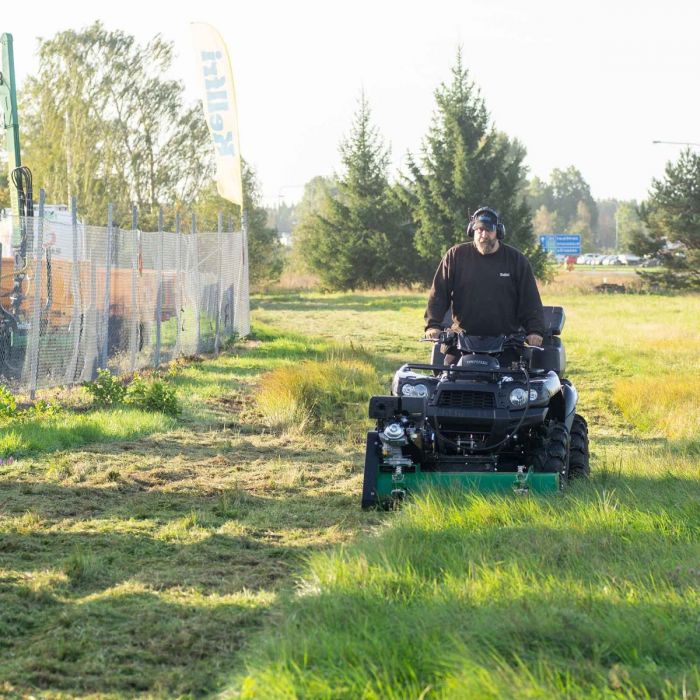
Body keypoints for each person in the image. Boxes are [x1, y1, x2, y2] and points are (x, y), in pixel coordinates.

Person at [424, 206, 545, 352]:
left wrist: (535, 331)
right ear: (471, 230)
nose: (483, 234)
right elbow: (438, 294)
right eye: (479, 230)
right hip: (461, 340)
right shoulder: (455, 256)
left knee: (516, 374)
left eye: (488, 230)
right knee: (445, 373)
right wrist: (433, 325)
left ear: (498, 232)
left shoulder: (516, 260)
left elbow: (530, 300)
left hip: (506, 344)